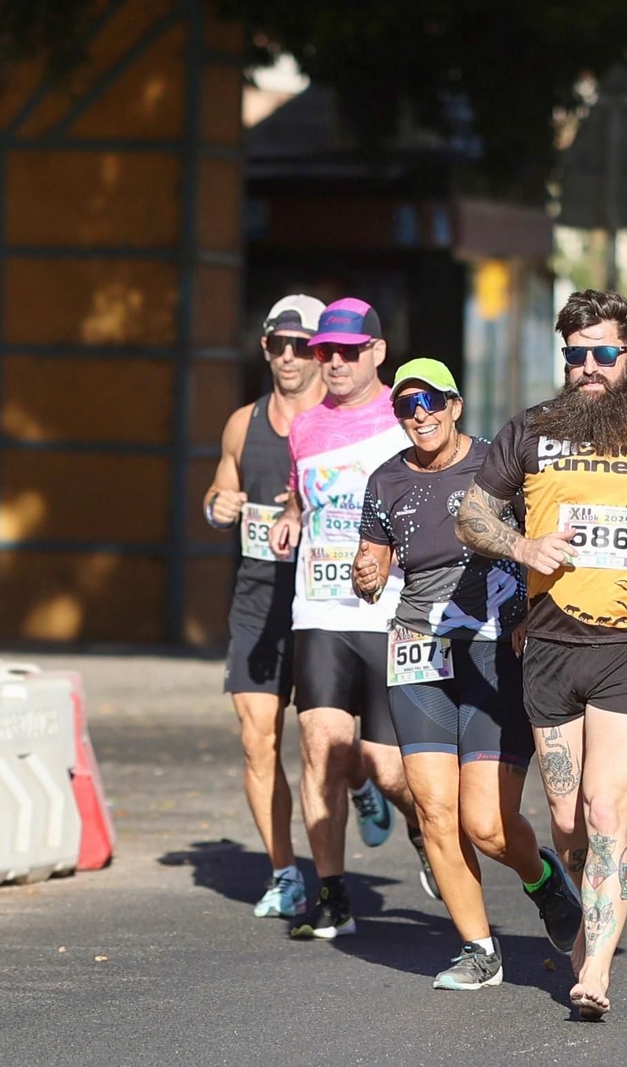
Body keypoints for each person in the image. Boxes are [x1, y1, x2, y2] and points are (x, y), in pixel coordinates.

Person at [456, 289, 627, 1019]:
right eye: (576, 355)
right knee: (567, 818)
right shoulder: (532, 430)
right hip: (550, 642)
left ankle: (597, 970)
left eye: (603, 354)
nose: (588, 366)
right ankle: (584, 900)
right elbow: (472, 513)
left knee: (607, 805)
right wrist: (522, 544)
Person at [356, 358, 584, 987]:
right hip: (417, 647)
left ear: (455, 405)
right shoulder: (384, 482)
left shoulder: (497, 465)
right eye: (407, 405)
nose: (420, 414)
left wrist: (531, 611)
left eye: (431, 401)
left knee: (484, 823)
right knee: (435, 811)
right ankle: (479, 949)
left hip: (493, 648)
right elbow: (370, 563)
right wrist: (365, 576)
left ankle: (542, 879)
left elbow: (546, 541)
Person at [268, 298, 428, 939]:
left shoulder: (405, 419)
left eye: (347, 352)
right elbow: (300, 498)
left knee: (387, 767)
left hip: (392, 615)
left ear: (377, 353)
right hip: (319, 611)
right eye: (323, 352)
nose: (332, 362)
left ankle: (425, 824)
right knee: (321, 751)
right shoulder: (304, 426)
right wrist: (289, 518)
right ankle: (331, 893)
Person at [202, 295, 324, 918]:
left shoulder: (340, 423)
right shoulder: (241, 424)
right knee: (258, 740)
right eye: (280, 343)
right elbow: (221, 494)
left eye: (303, 345)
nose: (289, 356)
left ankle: (373, 790)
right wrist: (218, 508)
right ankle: (284, 871)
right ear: (266, 347)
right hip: (258, 597)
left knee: (335, 744)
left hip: (327, 602)